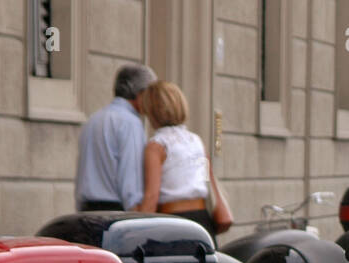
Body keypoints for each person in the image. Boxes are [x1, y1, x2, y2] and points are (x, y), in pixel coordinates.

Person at [137, 80, 232, 243]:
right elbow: (208, 182)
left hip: (172, 224)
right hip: (202, 223)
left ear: (151, 111)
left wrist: (136, 229)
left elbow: (152, 197)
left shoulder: (157, 146)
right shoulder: (196, 141)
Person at [74, 64, 156, 211]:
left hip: (85, 211)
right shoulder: (131, 123)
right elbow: (131, 182)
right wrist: (137, 215)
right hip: (114, 212)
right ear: (141, 94)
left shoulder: (93, 119)